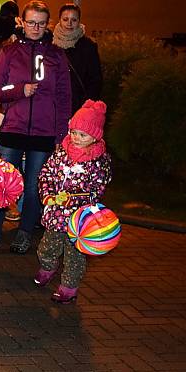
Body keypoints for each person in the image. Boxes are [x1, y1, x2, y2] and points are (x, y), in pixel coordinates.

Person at [0, 0, 72, 255]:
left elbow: (64, 97)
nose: (36, 27)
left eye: (42, 23)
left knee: (35, 185)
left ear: (48, 25)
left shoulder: (56, 55)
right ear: (22, 22)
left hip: (44, 132)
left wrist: (61, 134)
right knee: (2, 182)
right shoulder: (9, 52)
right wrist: (18, 90)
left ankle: (25, 232)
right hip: (13, 127)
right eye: (31, 22)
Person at [35, 100, 112, 304]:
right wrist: (48, 195)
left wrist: (73, 198)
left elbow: (97, 189)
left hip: (78, 220)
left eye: (83, 135)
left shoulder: (98, 161)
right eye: (74, 132)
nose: (77, 138)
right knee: (47, 246)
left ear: (95, 136)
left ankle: (69, 287)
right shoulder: (61, 152)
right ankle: (47, 266)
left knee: (75, 255)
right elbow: (46, 174)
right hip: (55, 213)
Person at [52, 3, 103, 112]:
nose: (69, 23)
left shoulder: (88, 46)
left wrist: (86, 106)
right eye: (65, 19)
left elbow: (95, 80)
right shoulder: (50, 44)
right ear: (59, 20)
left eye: (74, 20)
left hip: (79, 107)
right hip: (53, 106)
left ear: (79, 21)